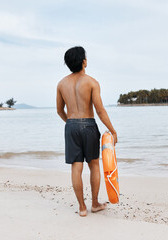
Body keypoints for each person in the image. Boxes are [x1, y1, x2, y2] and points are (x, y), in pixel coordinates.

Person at [56, 46, 118, 217]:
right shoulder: (92, 82)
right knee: (94, 165)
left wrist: (71, 123)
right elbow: (100, 111)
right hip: (89, 125)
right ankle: (95, 204)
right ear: (84, 61)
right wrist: (112, 131)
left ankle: (82, 207)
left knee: (76, 167)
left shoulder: (61, 84)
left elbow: (60, 111)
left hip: (71, 126)